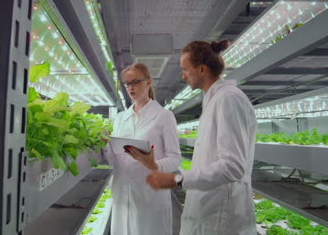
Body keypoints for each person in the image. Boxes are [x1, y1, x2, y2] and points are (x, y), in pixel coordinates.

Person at [146, 40, 257, 235]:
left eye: (186, 70)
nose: (183, 76)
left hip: (221, 218)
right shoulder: (213, 99)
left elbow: (233, 167)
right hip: (208, 211)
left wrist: (178, 179)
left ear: (202, 69)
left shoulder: (228, 99)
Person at [103, 63, 181, 235]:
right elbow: (114, 160)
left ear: (149, 82)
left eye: (136, 82)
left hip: (150, 195)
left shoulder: (163, 116)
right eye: (127, 83)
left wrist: (154, 165)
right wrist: (105, 145)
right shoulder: (121, 118)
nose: (131, 87)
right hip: (122, 194)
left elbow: (175, 158)